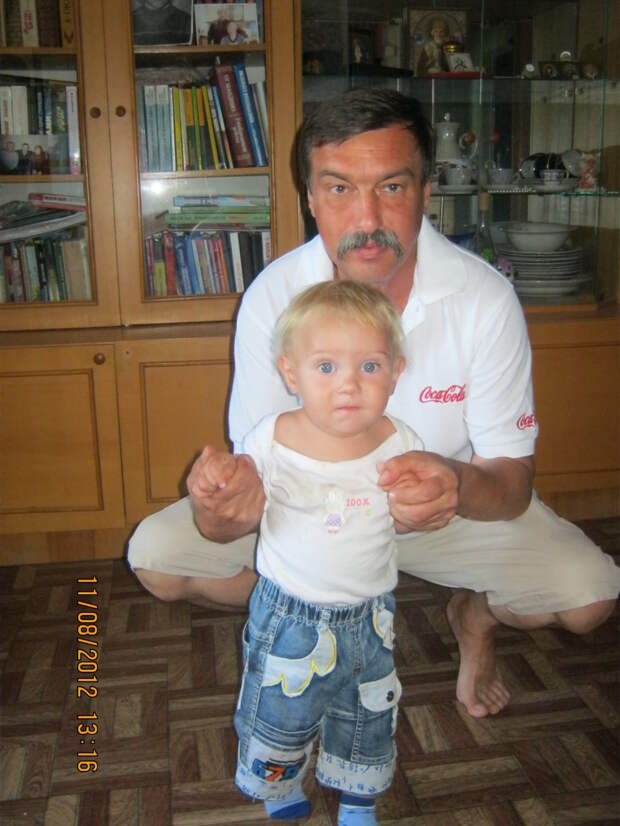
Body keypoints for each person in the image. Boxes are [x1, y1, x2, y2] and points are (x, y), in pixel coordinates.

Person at [128, 88, 620, 722]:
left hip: (441, 517)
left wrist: (454, 484)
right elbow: (254, 476)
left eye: (391, 187)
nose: (367, 217)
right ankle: (335, 605)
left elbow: (513, 483)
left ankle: (474, 616)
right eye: (338, 189)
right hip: (307, 510)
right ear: (309, 198)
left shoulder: (485, 298)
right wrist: (224, 509)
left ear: (425, 190)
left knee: (587, 597)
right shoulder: (274, 295)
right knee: (157, 558)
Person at [203, 279, 421, 824]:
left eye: (369, 366)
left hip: (371, 617)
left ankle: (358, 797)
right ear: (290, 373)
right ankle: (280, 786)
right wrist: (222, 479)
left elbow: (408, 514)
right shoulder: (271, 437)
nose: (349, 383)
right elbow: (241, 484)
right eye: (326, 366)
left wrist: (416, 501)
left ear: (396, 372)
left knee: (368, 713)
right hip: (290, 618)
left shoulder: (401, 441)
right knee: (280, 715)